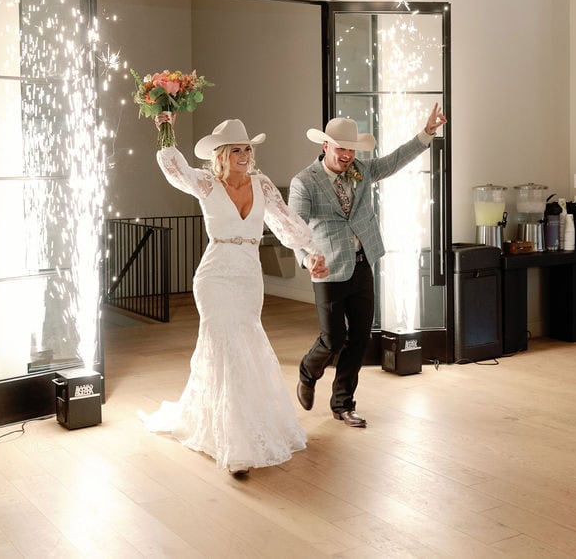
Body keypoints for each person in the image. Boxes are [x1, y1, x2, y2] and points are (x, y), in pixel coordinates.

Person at [140, 114, 329, 476]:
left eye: (247, 148)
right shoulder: (207, 184)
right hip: (213, 277)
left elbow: (287, 223)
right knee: (225, 345)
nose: (244, 154)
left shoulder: (263, 185)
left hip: (247, 277)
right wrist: (165, 128)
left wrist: (313, 253)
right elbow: (173, 168)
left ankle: (246, 424)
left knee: (246, 344)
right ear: (221, 154)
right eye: (236, 149)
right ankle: (235, 446)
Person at [289, 103, 447, 427]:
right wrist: (306, 259)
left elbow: (393, 161)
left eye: (350, 149)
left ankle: (343, 403)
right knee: (332, 339)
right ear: (325, 146)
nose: (346, 156)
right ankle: (308, 372)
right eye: (340, 149)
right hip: (328, 269)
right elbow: (294, 229)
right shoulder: (304, 182)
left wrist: (426, 133)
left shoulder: (361, 170)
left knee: (359, 337)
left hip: (363, 263)